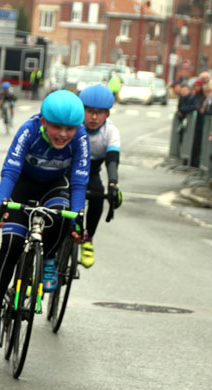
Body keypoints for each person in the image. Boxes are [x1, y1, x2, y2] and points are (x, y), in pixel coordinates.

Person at [0, 90, 89, 343]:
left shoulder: (80, 138)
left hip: (55, 186)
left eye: (69, 128)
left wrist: (78, 220)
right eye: (57, 127)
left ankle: (49, 260)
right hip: (23, 185)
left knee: (62, 216)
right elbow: (10, 170)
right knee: (11, 244)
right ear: (43, 122)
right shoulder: (28, 130)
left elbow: (79, 180)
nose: (63, 134)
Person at [78, 84, 121, 268]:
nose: (94, 117)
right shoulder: (74, 126)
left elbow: (112, 160)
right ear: (82, 110)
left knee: (98, 194)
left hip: (92, 171)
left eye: (100, 112)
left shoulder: (110, 132)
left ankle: (88, 239)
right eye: (90, 111)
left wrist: (113, 184)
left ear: (107, 115)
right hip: (70, 168)